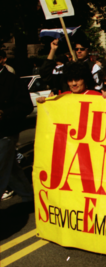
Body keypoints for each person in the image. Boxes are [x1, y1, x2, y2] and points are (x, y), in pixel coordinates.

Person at [0, 50, 34, 203]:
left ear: (3, 59)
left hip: (6, 132)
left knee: (1, 169)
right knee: (11, 168)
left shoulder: (13, 81)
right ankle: (28, 196)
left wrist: (4, 113)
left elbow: (26, 106)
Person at [37, 62, 101, 103]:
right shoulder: (62, 97)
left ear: (85, 79)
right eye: (70, 80)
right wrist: (45, 102)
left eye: (77, 79)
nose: (74, 83)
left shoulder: (97, 96)